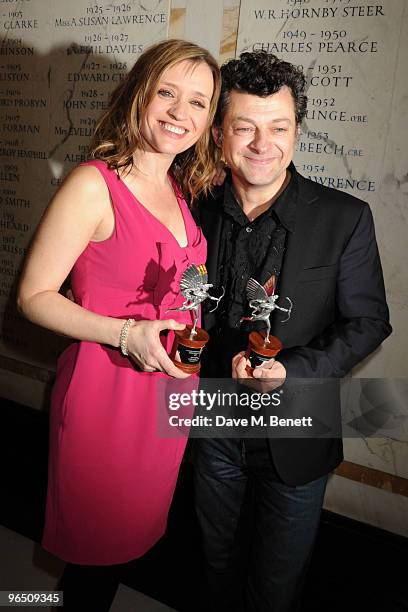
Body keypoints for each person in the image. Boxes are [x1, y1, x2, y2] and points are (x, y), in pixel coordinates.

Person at [17, 39, 221, 611]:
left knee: (125, 546)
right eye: (167, 93)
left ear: (209, 120)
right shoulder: (93, 184)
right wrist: (126, 333)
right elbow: (32, 297)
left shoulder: (179, 188)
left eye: (199, 102)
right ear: (140, 92)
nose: (181, 112)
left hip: (167, 395)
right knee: (93, 558)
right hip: (109, 396)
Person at [192, 51, 392, 611]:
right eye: (246, 127)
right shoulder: (192, 210)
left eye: (279, 127)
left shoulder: (345, 216)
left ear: (297, 130)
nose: (264, 143)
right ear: (219, 134)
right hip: (211, 424)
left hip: (300, 431)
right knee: (212, 567)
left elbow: (370, 320)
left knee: (277, 588)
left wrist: (294, 371)